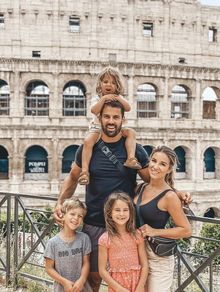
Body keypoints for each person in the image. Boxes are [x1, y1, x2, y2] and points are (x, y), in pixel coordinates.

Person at [54, 100, 192, 292]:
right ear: (100, 118)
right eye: (107, 117)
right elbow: (72, 178)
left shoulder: (134, 149)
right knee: (93, 278)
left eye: (116, 117)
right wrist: (59, 203)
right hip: (94, 223)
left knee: (131, 279)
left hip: (126, 228)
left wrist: (176, 194)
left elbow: (153, 181)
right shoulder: (88, 147)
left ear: (122, 120)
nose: (111, 121)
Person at [134, 146, 192, 292]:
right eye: (153, 161)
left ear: (169, 169)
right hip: (138, 254)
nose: (155, 166)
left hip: (158, 258)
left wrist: (154, 231)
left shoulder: (170, 196)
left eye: (162, 164)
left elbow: (186, 230)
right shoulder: (141, 188)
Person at [78, 66, 141, 185]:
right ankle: (85, 171)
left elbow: (128, 108)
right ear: (100, 84)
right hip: (97, 129)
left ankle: (130, 158)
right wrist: (104, 99)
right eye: (105, 82)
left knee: (131, 133)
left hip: (116, 129)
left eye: (113, 83)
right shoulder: (97, 98)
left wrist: (118, 98)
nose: (109, 85)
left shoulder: (118, 97)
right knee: (87, 142)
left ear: (117, 86)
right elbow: (94, 110)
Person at [98, 191, 148, 292]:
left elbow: (145, 264)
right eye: (117, 210)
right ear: (110, 212)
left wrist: (140, 287)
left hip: (137, 284)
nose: (121, 214)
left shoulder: (137, 235)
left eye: (125, 210)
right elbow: (102, 270)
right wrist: (119, 289)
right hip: (117, 286)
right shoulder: (104, 239)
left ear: (130, 212)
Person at [44, 197, 92, 292]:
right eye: (72, 214)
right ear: (63, 215)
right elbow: (49, 269)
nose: (76, 218)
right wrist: (65, 282)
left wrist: (81, 280)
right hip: (62, 288)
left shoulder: (84, 238)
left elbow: (86, 263)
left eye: (80, 216)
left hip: (82, 288)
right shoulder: (52, 243)